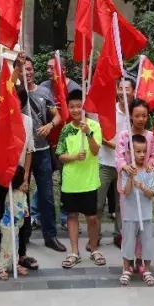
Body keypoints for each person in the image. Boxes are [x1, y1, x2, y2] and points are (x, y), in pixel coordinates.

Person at [0, 86, 34, 279]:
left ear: (22, 103)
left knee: (21, 216)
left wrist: (25, 179)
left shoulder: (27, 121)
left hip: (19, 177)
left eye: (17, 100)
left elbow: (30, 151)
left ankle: (20, 254)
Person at [20, 55, 65, 252]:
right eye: (23, 69)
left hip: (43, 151)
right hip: (22, 153)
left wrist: (50, 125)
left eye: (29, 69)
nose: (27, 72)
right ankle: (24, 234)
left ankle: (50, 236)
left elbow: (58, 115)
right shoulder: (14, 92)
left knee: (47, 196)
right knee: (23, 194)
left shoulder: (44, 92)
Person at [57, 90, 104, 268]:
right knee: (72, 216)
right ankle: (74, 251)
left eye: (79, 106)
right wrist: (75, 157)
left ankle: (94, 248)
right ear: (68, 108)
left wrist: (88, 133)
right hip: (71, 182)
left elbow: (96, 150)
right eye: (72, 107)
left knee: (92, 217)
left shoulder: (94, 126)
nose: (76, 110)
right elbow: (60, 155)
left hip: (89, 180)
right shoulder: (66, 129)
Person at [91, 78, 132, 249]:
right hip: (105, 162)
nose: (123, 92)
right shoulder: (109, 110)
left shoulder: (135, 112)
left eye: (127, 89)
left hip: (125, 166)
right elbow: (99, 135)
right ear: (116, 91)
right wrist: (117, 146)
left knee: (121, 204)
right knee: (98, 204)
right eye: (120, 88)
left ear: (133, 91)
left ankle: (119, 235)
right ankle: (95, 236)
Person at [118, 134, 154, 287]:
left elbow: (152, 193)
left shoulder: (149, 171)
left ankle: (147, 269)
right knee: (128, 242)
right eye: (137, 152)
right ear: (130, 153)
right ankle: (127, 268)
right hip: (130, 215)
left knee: (146, 242)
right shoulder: (127, 171)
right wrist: (131, 180)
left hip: (146, 214)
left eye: (143, 151)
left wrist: (142, 186)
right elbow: (125, 192)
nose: (141, 155)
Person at [0, 166, 29, 281]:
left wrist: (26, 209)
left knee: (15, 246)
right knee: (6, 247)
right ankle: (2, 267)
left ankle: (14, 264)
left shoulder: (22, 193)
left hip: (16, 226)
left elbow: (24, 203)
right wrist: (21, 211)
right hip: (7, 226)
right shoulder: (10, 194)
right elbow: (13, 209)